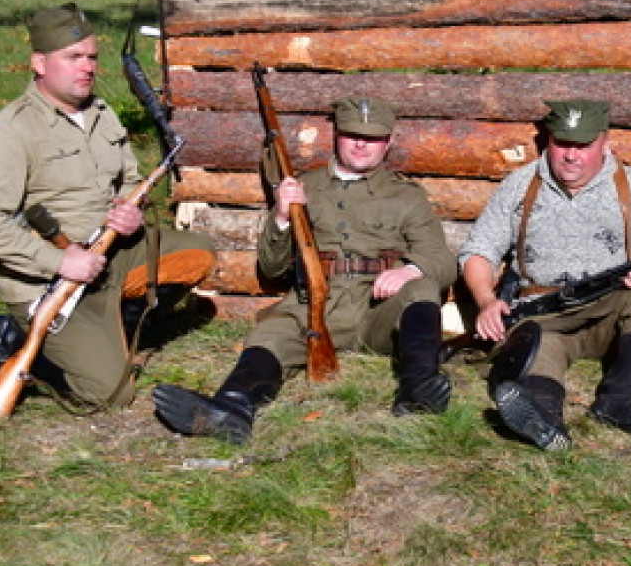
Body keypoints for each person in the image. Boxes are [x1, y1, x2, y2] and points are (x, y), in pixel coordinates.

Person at [152, 96, 458, 443]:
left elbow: (442, 260)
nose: (361, 144)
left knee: (422, 288)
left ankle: (418, 391)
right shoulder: (304, 187)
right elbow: (272, 267)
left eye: (372, 138)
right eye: (351, 134)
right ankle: (232, 409)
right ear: (336, 136)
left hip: (377, 314)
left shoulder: (406, 196)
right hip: (315, 310)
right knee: (273, 332)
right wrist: (282, 217)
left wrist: (409, 270)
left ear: (387, 142)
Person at [0, 3, 216, 412]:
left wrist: (131, 210)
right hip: (51, 282)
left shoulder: (101, 113)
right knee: (111, 394)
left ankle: (118, 320)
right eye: (73, 58)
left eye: (92, 57)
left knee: (198, 253)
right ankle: (34, 352)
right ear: (40, 63)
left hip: (111, 255)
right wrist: (59, 262)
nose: (87, 67)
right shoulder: (12, 130)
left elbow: (130, 183)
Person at [459, 99, 631, 451]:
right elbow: (478, 252)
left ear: (605, 144)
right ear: (548, 141)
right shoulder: (520, 186)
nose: (571, 155)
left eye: (583, 146)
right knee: (537, 349)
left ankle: (619, 401)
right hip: (544, 314)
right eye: (563, 144)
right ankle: (544, 417)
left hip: (610, 312)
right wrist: (488, 302)